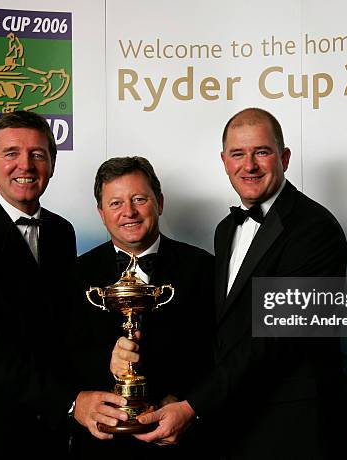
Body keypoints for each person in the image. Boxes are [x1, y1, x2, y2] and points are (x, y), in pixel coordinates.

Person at [127, 108, 347, 458]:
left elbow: (275, 338)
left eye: (261, 152)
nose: (249, 165)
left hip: (293, 427)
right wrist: (178, 391)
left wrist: (193, 405)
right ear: (224, 161)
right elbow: (223, 331)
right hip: (233, 423)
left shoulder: (315, 230)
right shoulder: (225, 230)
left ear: (284, 157)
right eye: (237, 154)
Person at [0, 111, 126, 459]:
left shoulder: (61, 232)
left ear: (52, 164)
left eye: (37, 154)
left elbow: (64, 327)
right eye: (11, 153)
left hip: (44, 432)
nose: (25, 165)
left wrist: (112, 364)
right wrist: (71, 401)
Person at [69, 156, 215, 459]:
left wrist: (191, 406)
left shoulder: (205, 268)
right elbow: (58, 358)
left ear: (159, 203)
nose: (129, 212)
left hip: (183, 443)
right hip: (100, 448)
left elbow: (223, 354)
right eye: (116, 203)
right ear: (101, 213)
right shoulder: (73, 275)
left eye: (139, 199)